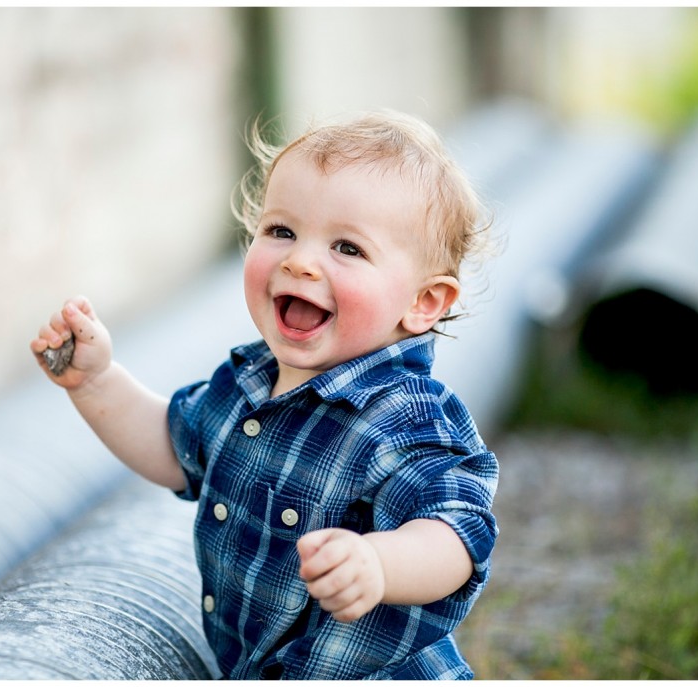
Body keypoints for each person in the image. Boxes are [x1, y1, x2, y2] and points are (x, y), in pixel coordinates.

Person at [30, 110, 499, 680]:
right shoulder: (248, 381)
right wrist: (97, 381)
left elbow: (457, 531)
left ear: (423, 303)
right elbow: (172, 447)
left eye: (348, 248)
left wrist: (380, 562)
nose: (300, 260)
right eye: (281, 231)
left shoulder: (407, 418)